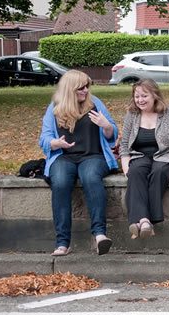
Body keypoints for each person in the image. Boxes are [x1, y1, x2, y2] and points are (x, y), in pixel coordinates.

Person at [38, 70, 118, 256]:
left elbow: (112, 133)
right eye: (81, 87)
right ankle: (62, 243)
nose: (85, 90)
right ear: (69, 89)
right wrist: (55, 143)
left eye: (87, 86)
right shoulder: (55, 108)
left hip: (93, 156)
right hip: (64, 157)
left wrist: (106, 125)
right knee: (60, 182)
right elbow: (44, 138)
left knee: (90, 177)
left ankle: (100, 236)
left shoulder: (95, 103)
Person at [120, 79, 169, 239]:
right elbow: (124, 145)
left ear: (154, 95)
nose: (140, 100)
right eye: (137, 96)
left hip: (163, 155)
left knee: (159, 172)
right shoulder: (132, 114)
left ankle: (141, 222)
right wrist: (126, 168)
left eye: (144, 96)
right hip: (139, 155)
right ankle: (145, 221)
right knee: (135, 173)